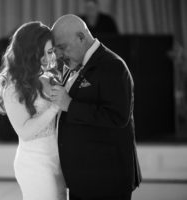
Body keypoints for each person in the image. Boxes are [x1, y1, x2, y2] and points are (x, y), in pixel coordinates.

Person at [51, 14, 142, 200]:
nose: (59, 55)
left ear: (81, 38)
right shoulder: (75, 64)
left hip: (106, 180)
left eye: (62, 47)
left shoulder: (113, 66)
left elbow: (117, 117)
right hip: (84, 179)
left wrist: (69, 105)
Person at [0, 21, 66, 200]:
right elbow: (25, 132)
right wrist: (56, 105)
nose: (50, 58)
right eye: (45, 52)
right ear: (31, 52)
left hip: (57, 158)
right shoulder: (12, 88)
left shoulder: (49, 79)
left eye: (51, 51)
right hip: (34, 162)